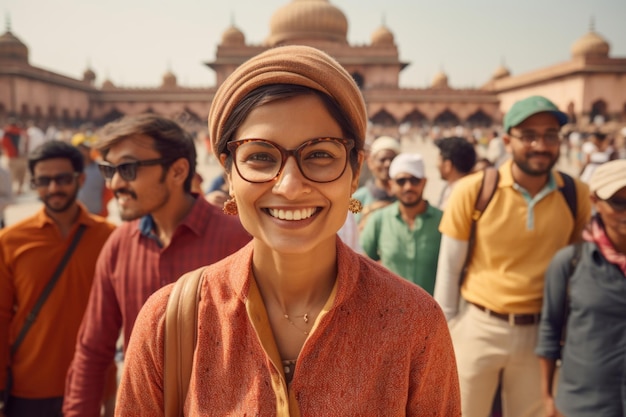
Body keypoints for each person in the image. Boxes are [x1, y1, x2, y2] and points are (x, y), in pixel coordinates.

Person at [115, 45, 460, 416]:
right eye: (260, 156)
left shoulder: (411, 322)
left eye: (320, 154)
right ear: (229, 172)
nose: (291, 187)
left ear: (355, 170)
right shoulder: (171, 321)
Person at [62, 114, 251, 417]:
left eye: (128, 169)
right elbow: (93, 351)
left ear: (177, 171)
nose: (115, 184)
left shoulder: (238, 240)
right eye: (108, 170)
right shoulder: (120, 246)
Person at [433, 95, 591, 417]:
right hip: (479, 324)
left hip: (541, 334)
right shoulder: (474, 190)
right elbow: (449, 269)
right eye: (528, 136)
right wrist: (447, 333)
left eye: (550, 135)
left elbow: (576, 267)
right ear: (507, 141)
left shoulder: (575, 194)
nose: (540, 145)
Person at [0, 141, 116, 417]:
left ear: (81, 179)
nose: (53, 188)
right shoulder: (11, 241)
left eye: (63, 179)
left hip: (93, 386)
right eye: (44, 181)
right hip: (28, 387)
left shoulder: (110, 238)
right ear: (34, 184)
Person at [536, 159, 626, 417]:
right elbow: (549, 331)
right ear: (595, 201)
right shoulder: (571, 263)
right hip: (584, 403)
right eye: (618, 202)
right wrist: (548, 399)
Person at [360, 153, 442, 294]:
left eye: (414, 180)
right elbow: (363, 263)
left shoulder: (442, 221)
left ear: (424, 182)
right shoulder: (379, 220)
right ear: (391, 185)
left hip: (432, 311)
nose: (408, 186)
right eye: (401, 181)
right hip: (388, 311)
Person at [352, 135, 401, 227]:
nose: (387, 164)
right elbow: (351, 229)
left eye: (392, 159)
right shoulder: (357, 199)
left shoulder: (405, 196)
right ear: (371, 163)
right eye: (382, 160)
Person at [72, 131, 113, 217]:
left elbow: (109, 191)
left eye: (86, 149)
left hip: (96, 215)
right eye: (80, 148)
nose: (83, 152)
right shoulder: (70, 168)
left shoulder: (101, 168)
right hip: (74, 216)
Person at [435, 136, 477, 210]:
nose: (436, 165)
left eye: (439, 160)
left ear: (448, 165)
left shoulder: (458, 194)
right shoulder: (474, 189)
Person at [1, 119, 28, 195]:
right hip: (22, 157)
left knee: (11, 175)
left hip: (11, 157)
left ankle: (11, 190)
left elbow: (3, 143)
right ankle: (20, 189)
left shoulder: (7, 132)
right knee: (21, 174)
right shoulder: (22, 132)